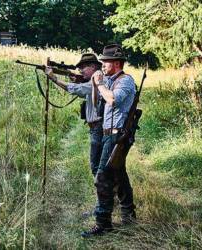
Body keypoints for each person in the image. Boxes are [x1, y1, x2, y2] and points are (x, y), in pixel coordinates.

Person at [81, 44, 137, 238]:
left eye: (106, 62)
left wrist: (101, 84)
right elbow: (99, 102)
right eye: (102, 61)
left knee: (102, 178)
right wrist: (97, 84)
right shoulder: (110, 80)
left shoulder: (125, 81)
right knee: (119, 176)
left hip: (117, 135)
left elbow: (112, 100)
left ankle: (103, 223)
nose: (102, 65)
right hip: (108, 133)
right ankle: (128, 214)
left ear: (117, 63)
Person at [45, 53, 103, 177]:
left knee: (96, 166)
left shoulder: (98, 79)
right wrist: (77, 81)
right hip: (96, 127)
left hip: (98, 128)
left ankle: (104, 193)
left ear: (93, 67)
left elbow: (79, 90)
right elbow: (83, 92)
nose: (80, 70)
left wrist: (54, 78)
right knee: (99, 165)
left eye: (83, 67)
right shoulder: (93, 80)